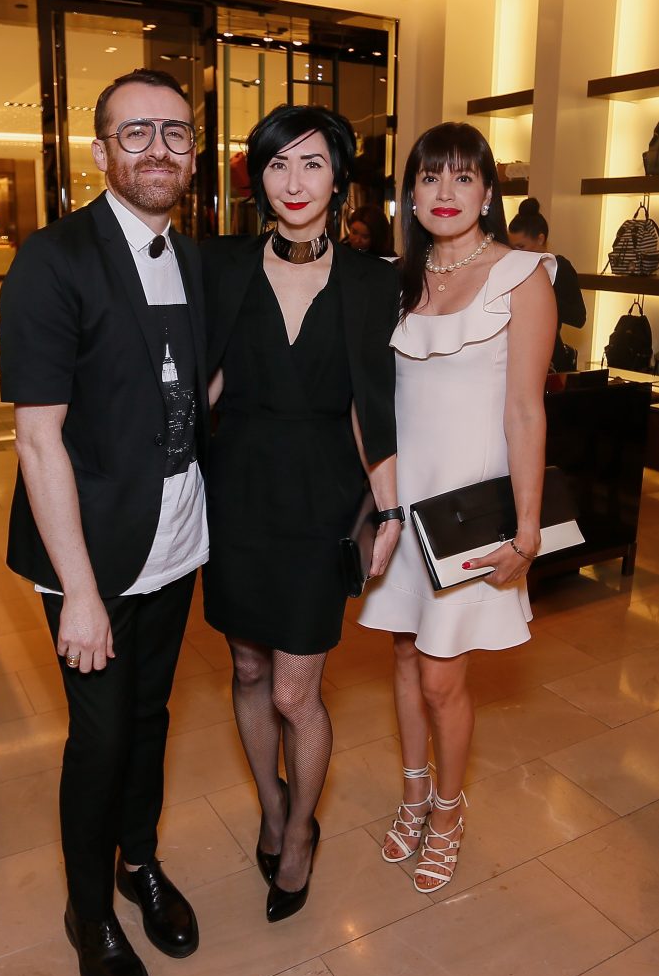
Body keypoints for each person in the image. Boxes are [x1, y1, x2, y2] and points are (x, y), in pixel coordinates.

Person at [0, 68, 208, 976]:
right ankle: (91, 912)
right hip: (88, 555)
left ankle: (140, 863)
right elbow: (38, 437)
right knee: (99, 737)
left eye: (175, 132)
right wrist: (79, 592)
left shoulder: (195, 257)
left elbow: (184, 392)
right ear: (99, 152)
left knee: (153, 719)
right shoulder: (55, 257)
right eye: (135, 133)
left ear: (195, 151)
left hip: (174, 543)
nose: (157, 149)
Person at [202, 104, 401, 923]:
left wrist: (386, 511)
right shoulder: (219, 267)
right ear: (258, 179)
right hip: (235, 491)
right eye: (278, 164)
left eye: (312, 164)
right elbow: (201, 385)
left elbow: (371, 407)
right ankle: (273, 805)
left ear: (338, 180)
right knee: (246, 669)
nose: (294, 181)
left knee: (294, 690)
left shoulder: (371, 280)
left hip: (320, 499)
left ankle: (301, 836)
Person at [359, 122, 556, 892]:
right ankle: (412, 792)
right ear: (408, 192)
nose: (445, 193)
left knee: (443, 674)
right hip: (403, 505)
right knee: (405, 656)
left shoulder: (522, 275)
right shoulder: (391, 280)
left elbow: (525, 414)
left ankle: (448, 808)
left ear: (487, 192)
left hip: (471, 509)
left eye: (462, 178)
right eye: (429, 178)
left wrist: (528, 526)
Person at [508, 197, 586, 372]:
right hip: (511, 355)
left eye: (521, 246)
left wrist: (543, 296)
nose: (515, 253)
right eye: (512, 247)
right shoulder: (509, 268)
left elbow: (578, 317)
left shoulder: (560, 268)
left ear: (540, 239)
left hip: (549, 358)